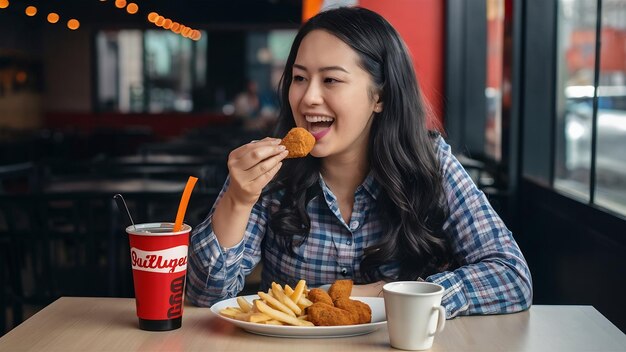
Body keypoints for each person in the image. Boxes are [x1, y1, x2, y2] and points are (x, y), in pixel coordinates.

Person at [187, 6, 532, 318]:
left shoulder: (431, 164)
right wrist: (238, 198)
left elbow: (512, 277)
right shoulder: (270, 174)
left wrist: (384, 295)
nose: (308, 97)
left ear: (379, 96)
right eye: (300, 77)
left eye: (331, 80)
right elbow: (205, 295)